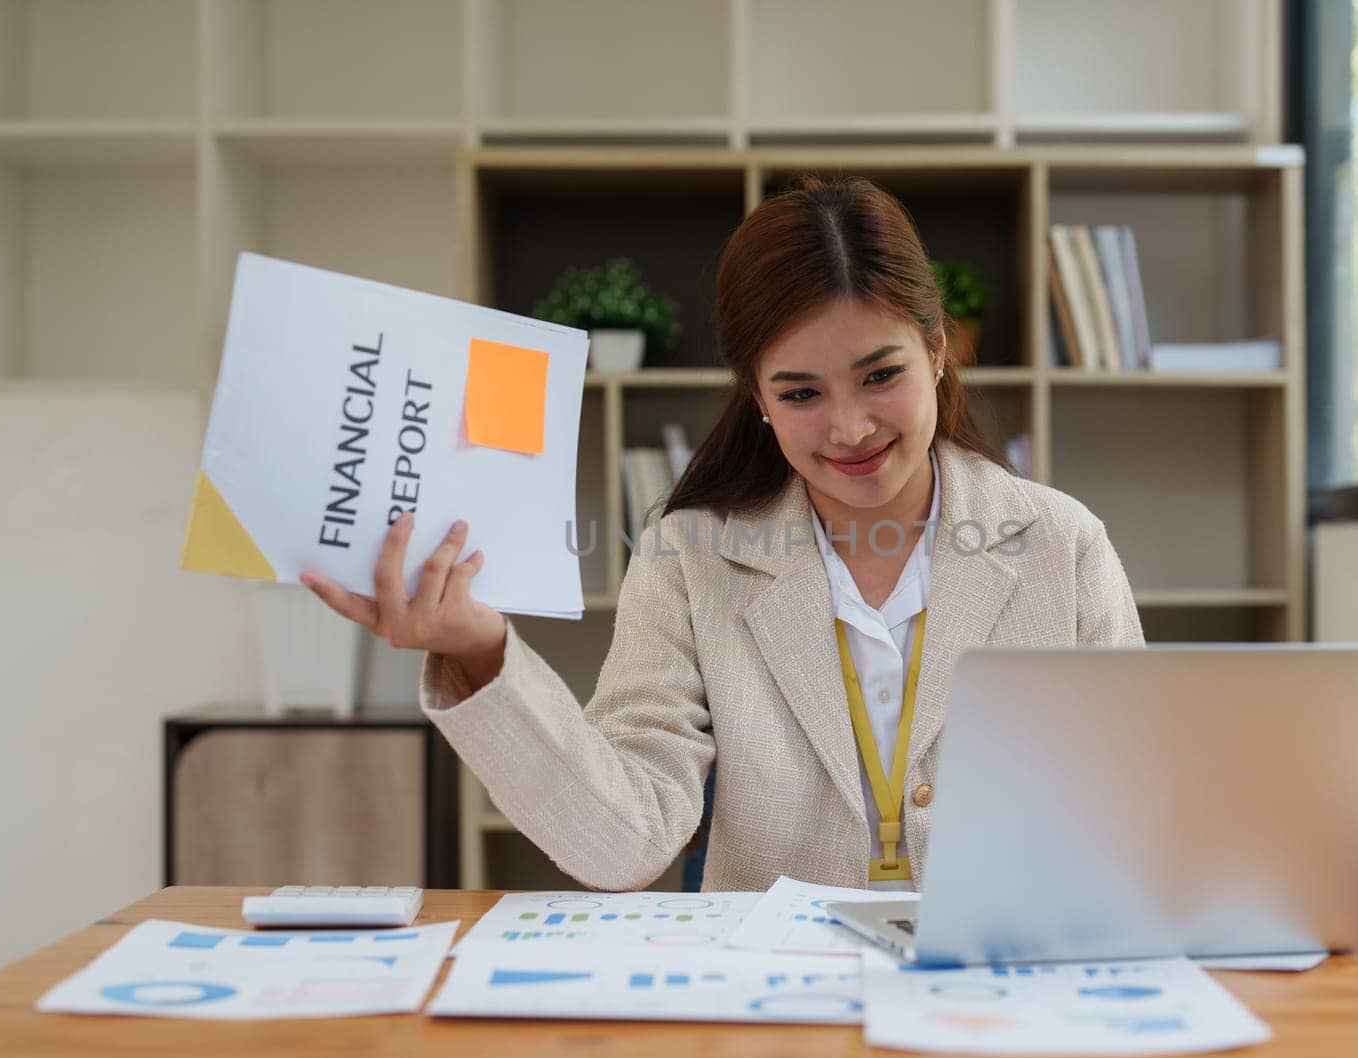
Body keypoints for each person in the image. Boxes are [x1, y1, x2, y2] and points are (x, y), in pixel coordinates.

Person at [301, 174, 1144, 893]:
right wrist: (482, 653)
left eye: (879, 375)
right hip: (772, 1013)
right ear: (758, 397)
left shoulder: (1061, 547)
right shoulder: (691, 557)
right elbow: (623, 842)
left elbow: (1133, 822)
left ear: (935, 352)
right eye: (801, 393)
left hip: (1003, 996)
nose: (849, 428)